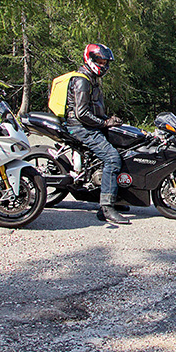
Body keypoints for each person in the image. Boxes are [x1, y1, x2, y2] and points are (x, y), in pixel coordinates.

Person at [64, 44, 128, 225]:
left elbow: (94, 109)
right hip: (80, 127)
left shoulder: (91, 79)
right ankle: (106, 208)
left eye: (105, 62)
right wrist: (104, 123)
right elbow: (82, 113)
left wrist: (108, 120)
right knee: (112, 158)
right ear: (90, 59)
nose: (104, 65)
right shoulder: (82, 80)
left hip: (90, 125)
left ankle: (116, 196)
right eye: (100, 61)